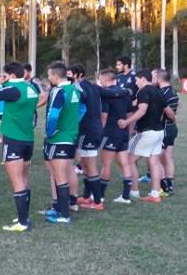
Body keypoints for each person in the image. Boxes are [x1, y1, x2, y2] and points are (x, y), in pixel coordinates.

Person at [0, 61, 38, 232]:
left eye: (5, 74)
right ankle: (24, 217)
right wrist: (5, 81)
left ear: (11, 74)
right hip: (28, 138)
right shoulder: (30, 88)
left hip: (13, 139)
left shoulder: (13, 90)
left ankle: (22, 223)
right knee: (24, 179)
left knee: (17, 181)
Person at [71, 63, 129, 211]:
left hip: (89, 131)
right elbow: (114, 93)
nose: (68, 78)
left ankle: (97, 201)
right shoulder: (94, 87)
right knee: (85, 164)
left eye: (70, 75)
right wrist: (126, 91)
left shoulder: (81, 87)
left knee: (90, 165)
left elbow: (101, 110)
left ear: (78, 75)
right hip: (94, 130)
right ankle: (87, 196)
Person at [118, 69, 174, 203]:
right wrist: (173, 122)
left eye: (137, 80)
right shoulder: (159, 92)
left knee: (129, 159)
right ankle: (155, 194)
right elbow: (169, 112)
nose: (136, 83)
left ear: (143, 79)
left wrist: (126, 122)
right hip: (159, 132)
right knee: (154, 162)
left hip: (147, 132)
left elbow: (142, 111)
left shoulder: (143, 91)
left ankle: (134, 191)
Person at [42, 62, 82, 224]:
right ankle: (59, 209)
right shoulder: (75, 89)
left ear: (56, 76)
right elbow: (82, 109)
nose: (49, 78)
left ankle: (64, 215)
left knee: (60, 177)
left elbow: (53, 115)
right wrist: (72, 125)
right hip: (70, 137)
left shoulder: (59, 91)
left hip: (59, 139)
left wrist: (50, 132)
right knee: (61, 175)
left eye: (49, 75)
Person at [97, 69, 140, 204]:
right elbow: (129, 115)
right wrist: (128, 132)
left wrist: (99, 132)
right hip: (123, 133)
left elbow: (103, 116)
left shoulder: (107, 95)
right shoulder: (125, 94)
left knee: (106, 164)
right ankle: (126, 196)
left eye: (100, 79)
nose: (100, 82)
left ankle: (100, 196)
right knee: (125, 163)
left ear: (105, 79)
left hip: (110, 132)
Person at [157, 69, 180, 194]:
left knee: (156, 157)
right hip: (172, 128)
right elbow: (179, 105)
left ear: (160, 79)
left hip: (165, 127)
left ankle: (164, 186)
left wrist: (172, 118)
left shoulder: (162, 93)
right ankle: (169, 184)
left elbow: (169, 112)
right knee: (168, 156)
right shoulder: (173, 90)